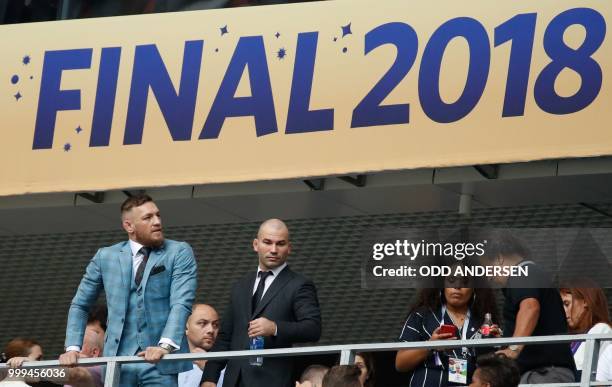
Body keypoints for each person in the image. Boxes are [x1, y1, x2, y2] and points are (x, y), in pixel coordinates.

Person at [60, 194, 198, 387]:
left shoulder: (178, 251)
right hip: (117, 360)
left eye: (158, 215)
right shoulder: (105, 256)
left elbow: (181, 302)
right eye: (148, 218)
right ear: (129, 226)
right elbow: (80, 304)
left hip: (159, 361)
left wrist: (164, 346)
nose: (157, 222)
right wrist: (73, 348)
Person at [201, 218, 322, 387]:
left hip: (271, 381)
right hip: (234, 380)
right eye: (267, 242)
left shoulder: (299, 284)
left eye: (280, 244)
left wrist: (275, 328)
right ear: (255, 245)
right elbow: (225, 337)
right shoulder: (240, 286)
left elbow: (313, 328)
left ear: (289, 248)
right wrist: (209, 377)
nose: (273, 249)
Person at [481, 231, 575, 383]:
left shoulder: (523, 272)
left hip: (543, 374)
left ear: (498, 259)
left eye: (487, 268)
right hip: (541, 373)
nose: (489, 277)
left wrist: (513, 349)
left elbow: (530, 307)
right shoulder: (531, 274)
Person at [395, 275, 500, 387]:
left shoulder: (483, 321)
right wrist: (430, 346)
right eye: (451, 280)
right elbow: (400, 364)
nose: (457, 286)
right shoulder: (422, 315)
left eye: (465, 282)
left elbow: (493, 370)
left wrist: (497, 345)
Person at [560, 286, 612, 381]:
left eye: (566, 304)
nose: (563, 311)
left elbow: (583, 369)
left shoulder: (601, 329)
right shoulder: (573, 336)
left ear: (585, 302)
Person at [178, 304, 224, 387]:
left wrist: (209, 369)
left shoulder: (229, 365)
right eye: (202, 323)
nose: (211, 330)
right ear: (185, 328)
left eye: (215, 325)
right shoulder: (169, 363)